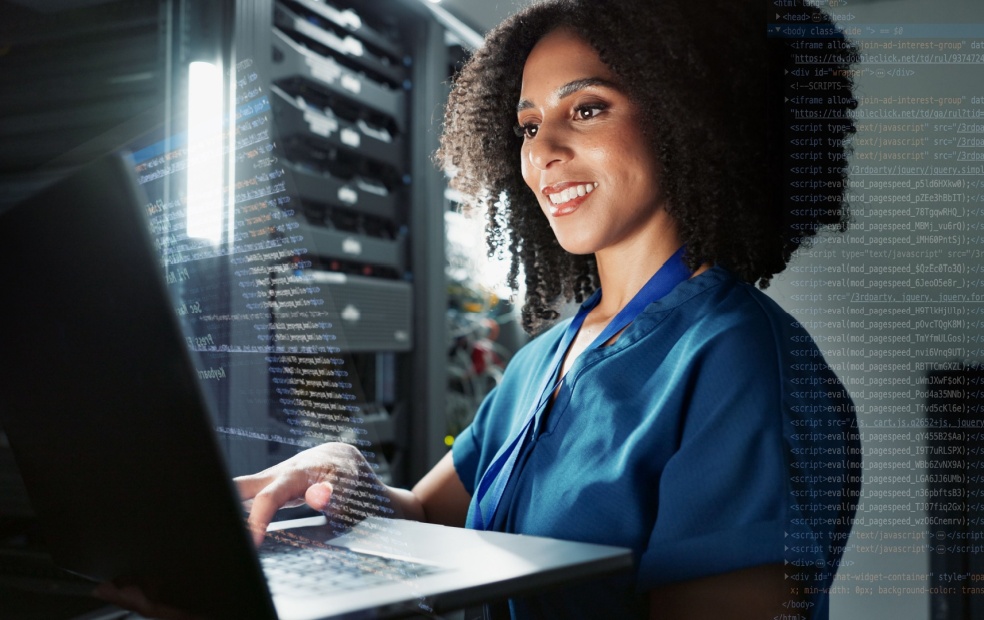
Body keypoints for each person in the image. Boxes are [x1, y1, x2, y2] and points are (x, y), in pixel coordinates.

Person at [105, 0, 862, 618]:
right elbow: (431, 519)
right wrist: (339, 471)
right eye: (529, 125)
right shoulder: (545, 359)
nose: (542, 153)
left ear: (691, 114)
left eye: (587, 109)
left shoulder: (744, 364)